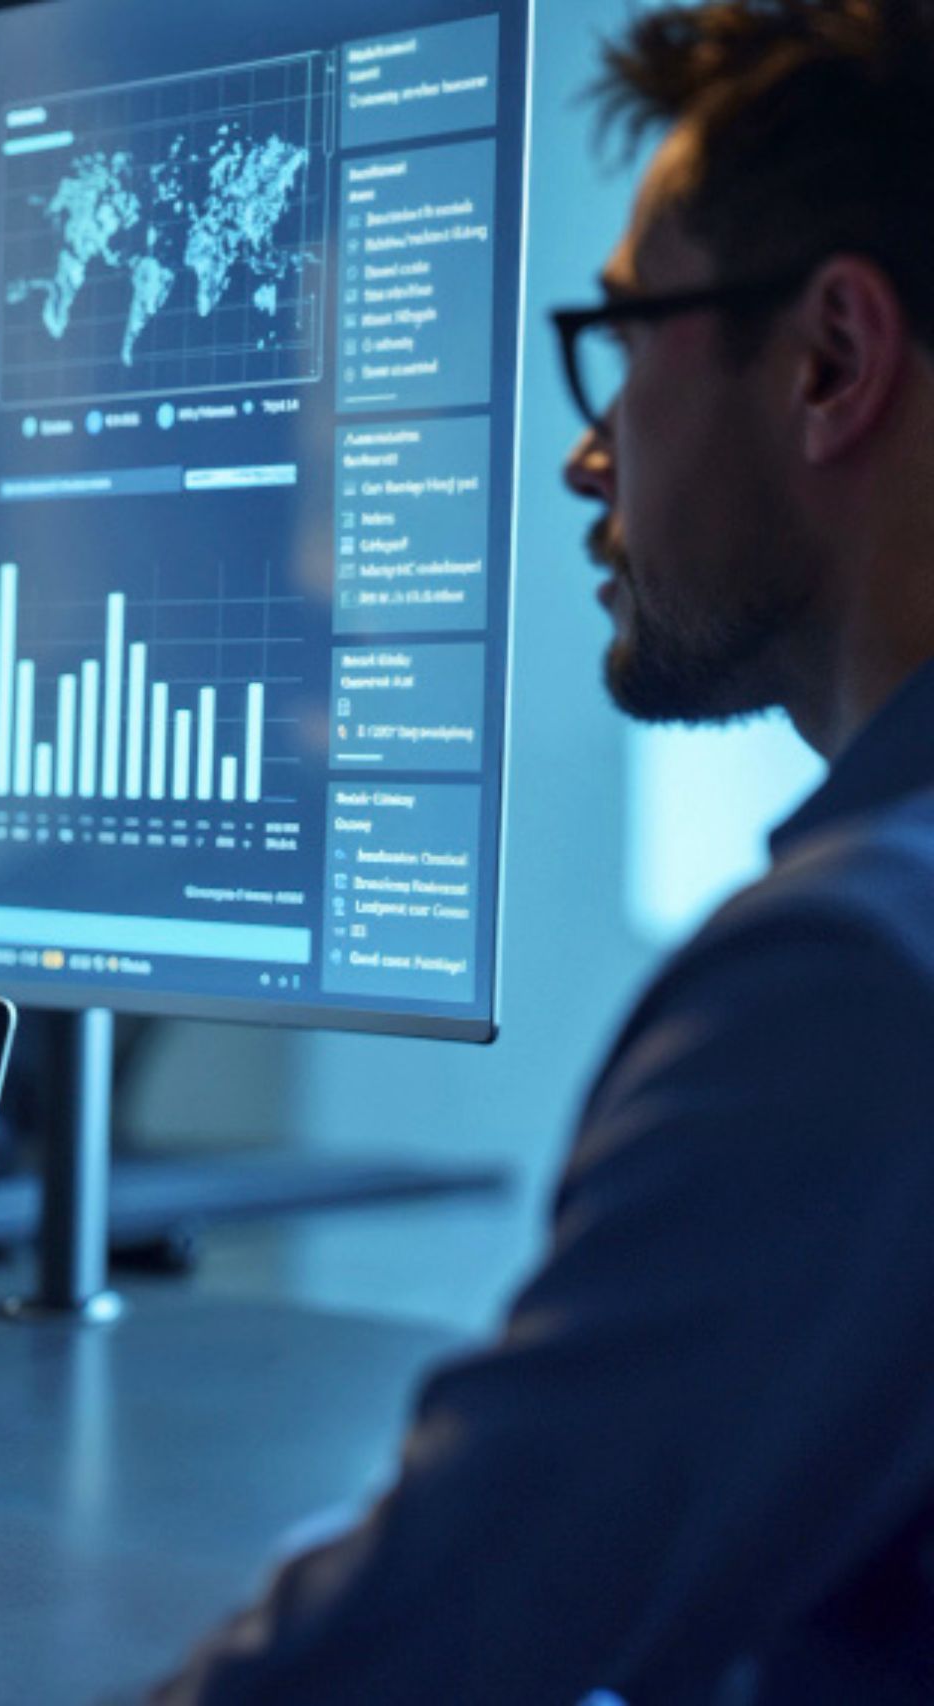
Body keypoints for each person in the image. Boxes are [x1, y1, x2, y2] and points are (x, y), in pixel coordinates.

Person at [152, 1, 934, 1699]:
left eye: (624, 331)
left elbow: (420, 1653)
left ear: (831, 362)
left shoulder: (851, 981)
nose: (588, 449)